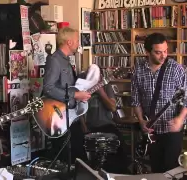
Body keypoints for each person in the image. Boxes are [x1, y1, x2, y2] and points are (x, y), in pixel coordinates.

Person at [131, 33, 187, 173]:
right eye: (158, 52)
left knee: (172, 171)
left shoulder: (175, 69)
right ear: (147, 52)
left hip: (171, 131)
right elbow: (135, 100)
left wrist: (179, 118)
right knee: (156, 171)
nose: (163, 55)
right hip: (151, 133)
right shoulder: (138, 70)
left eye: (165, 51)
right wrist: (141, 121)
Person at [43, 27, 91, 163]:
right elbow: (48, 87)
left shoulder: (67, 61)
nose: (78, 44)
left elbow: (70, 86)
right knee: (65, 157)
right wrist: (75, 95)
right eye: (76, 40)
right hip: (59, 116)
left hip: (70, 115)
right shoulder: (55, 60)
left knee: (78, 156)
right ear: (69, 42)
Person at [80, 70, 130, 174]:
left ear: (101, 77)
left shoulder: (107, 88)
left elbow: (112, 107)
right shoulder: (82, 89)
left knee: (119, 146)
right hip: (90, 128)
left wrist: (101, 92)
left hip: (107, 126)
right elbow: (78, 110)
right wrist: (83, 126)